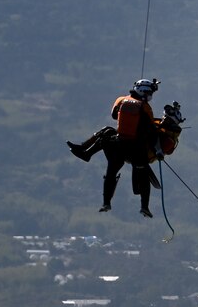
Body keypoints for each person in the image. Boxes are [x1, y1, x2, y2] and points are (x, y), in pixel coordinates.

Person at [67, 79, 174, 215]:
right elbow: (152, 132)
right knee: (143, 175)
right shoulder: (145, 107)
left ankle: (106, 201)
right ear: (143, 92)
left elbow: (113, 116)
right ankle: (144, 207)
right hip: (136, 148)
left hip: (119, 144)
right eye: (149, 94)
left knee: (111, 168)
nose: (150, 97)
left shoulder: (121, 100)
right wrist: (158, 150)